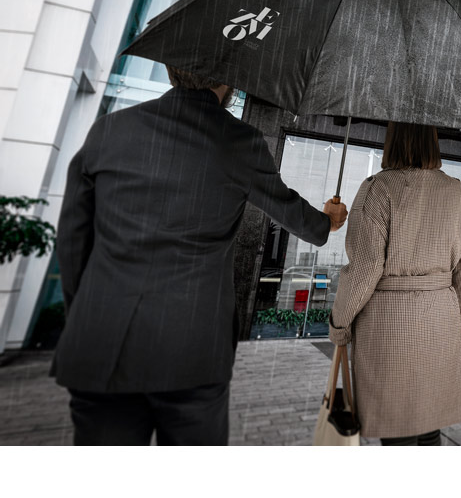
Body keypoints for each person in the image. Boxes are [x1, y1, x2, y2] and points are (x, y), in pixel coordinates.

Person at [53, 66, 348, 446]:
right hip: (191, 350)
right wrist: (329, 220)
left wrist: (89, 317)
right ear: (227, 78)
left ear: (170, 70)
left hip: (100, 343)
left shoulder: (109, 130)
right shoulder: (239, 141)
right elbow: (299, 220)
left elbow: (73, 243)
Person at [328, 121, 461, 446]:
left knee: (399, 431)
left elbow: (365, 269)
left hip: (389, 327)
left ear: (392, 142)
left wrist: (340, 323)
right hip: (439, 323)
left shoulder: (378, 188)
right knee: (429, 425)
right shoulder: (460, 193)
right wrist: (452, 316)